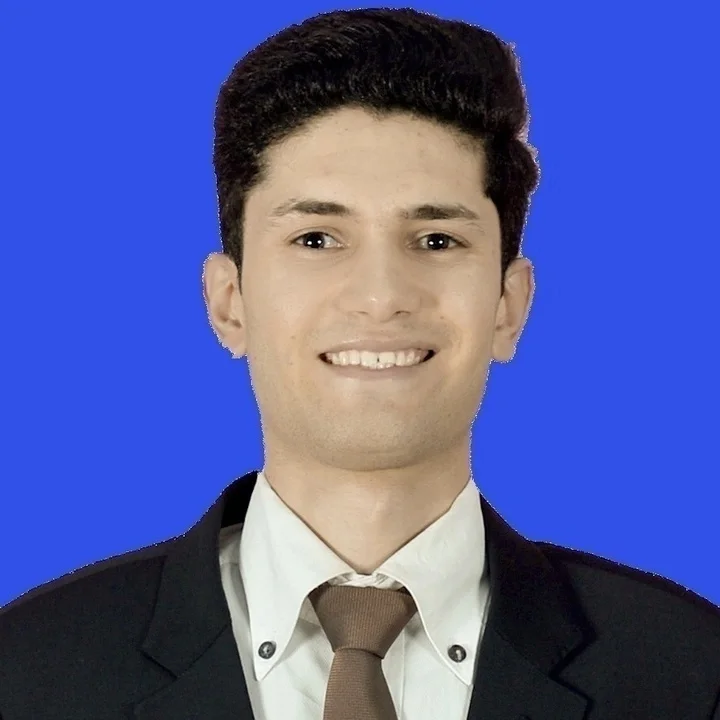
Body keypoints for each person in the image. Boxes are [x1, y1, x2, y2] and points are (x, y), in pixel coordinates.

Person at [1, 7, 718, 720]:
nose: (380, 297)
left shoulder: (687, 669)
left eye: (436, 241)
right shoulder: (30, 668)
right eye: (316, 239)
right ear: (229, 302)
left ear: (508, 304)